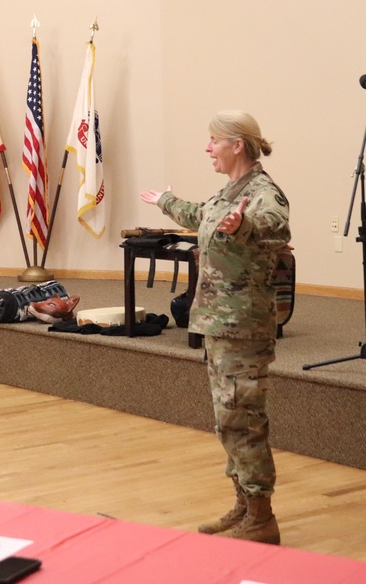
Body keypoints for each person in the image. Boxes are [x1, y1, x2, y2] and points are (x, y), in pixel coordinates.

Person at [141, 110, 290, 545]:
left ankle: (262, 517)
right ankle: (244, 506)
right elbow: (200, 214)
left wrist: (243, 225)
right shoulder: (228, 193)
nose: (208, 149)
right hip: (219, 326)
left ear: (236, 145)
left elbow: (274, 228)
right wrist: (164, 202)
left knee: (244, 419)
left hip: (243, 328)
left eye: (213, 141)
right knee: (228, 419)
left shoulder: (263, 194)